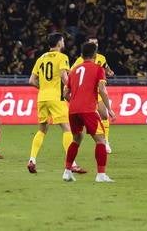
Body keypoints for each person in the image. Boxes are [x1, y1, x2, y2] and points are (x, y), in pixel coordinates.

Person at [27, 32, 85, 174]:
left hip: (42, 98)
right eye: (63, 41)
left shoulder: (41, 58)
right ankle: (72, 163)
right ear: (59, 43)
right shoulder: (62, 57)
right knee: (67, 129)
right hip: (56, 98)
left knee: (42, 130)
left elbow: (31, 80)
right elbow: (65, 77)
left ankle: (32, 159)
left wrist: (44, 88)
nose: (64, 43)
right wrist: (73, 91)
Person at [62, 41, 116, 183]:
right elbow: (102, 90)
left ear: (81, 55)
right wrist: (109, 109)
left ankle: (67, 172)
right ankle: (101, 175)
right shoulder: (98, 69)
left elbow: (65, 92)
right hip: (88, 109)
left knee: (76, 139)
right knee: (101, 140)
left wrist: (75, 101)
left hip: (73, 109)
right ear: (95, 54)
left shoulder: (74, 70)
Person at [73, 38, 115, 153]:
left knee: (104, 115)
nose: (94, 45)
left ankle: (105, 141)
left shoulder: (101, 58)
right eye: (92, 43)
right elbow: (72, 72)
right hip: (86, 92)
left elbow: (106, 67)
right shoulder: (81, 60)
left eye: (96, 43)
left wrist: (110, 72)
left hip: (98, 90)